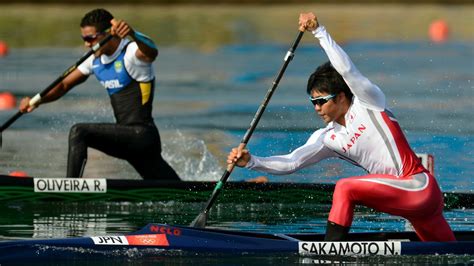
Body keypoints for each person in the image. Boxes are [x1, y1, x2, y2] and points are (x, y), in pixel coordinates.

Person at [227, 12, 455, 241]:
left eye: (321, 101)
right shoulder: (327, 138)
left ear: (342, 96)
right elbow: (291, 162)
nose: (316, 108)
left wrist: (319, 32)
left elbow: (347, 71)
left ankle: (329, 253)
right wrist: (251, 162)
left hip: (420, 188)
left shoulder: (369, 103)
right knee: (451, 253)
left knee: (345, 187)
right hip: (414, 209)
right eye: (312, 102)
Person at [19, 8, 180, 181]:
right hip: (128, 139)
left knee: (79, 132)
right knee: (177, 190)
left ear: (109, 33)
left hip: (141, 136)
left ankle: (69, 188)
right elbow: (64, 84)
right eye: (84, 39)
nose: (87, 44)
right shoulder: (94, 59)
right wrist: (37, 100)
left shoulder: (131, 52)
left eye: (90, 38)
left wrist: (133, 33)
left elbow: (152, 52)